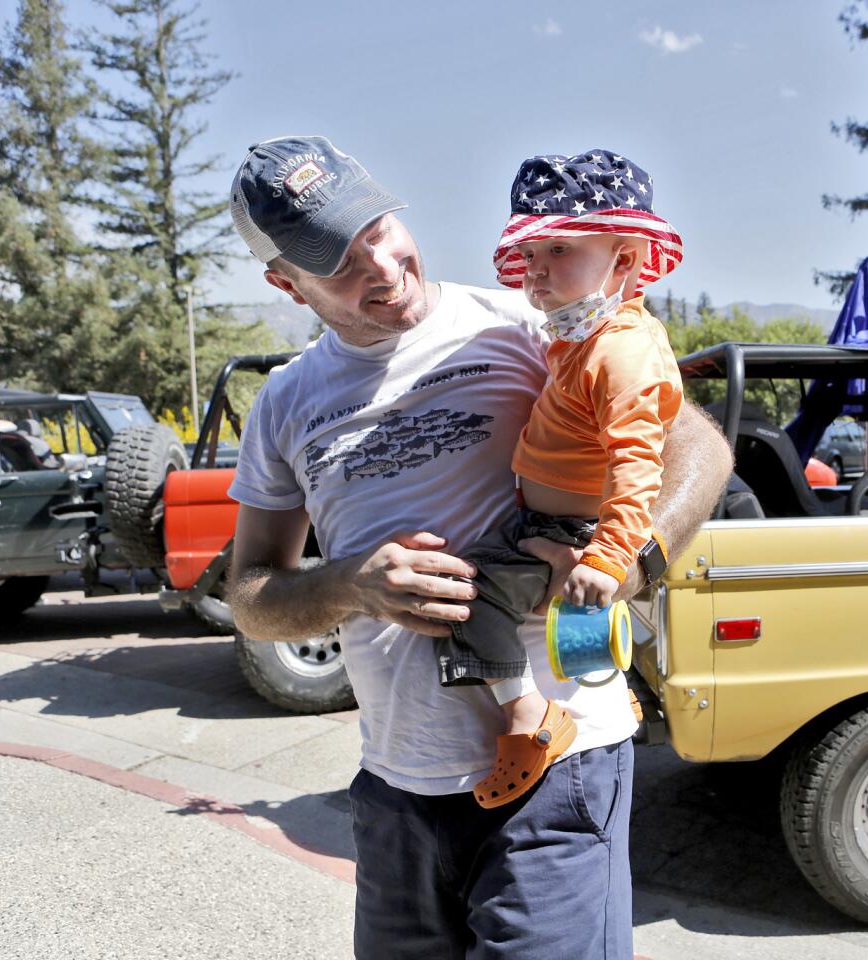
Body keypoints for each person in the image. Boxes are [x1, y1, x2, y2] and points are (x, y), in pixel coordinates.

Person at [223, 136, 730, 959]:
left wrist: (624, 567)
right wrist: (352, 583)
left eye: (378, 230)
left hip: (561, 776)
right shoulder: (284, 405)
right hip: (396, 791)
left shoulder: (532, 324)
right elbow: (251, 597)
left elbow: (697, 449)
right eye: (341, 263)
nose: (382, 266)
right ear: (286, 283)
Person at [441, 150, 684, 809]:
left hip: (573, 527)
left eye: (562, 252)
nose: (539, 273)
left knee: (465, 600)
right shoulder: (579, 336)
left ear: (626, 260)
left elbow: (638, 469)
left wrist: (607, 556)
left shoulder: (622, 351)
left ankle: (529, 717)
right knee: (566, 622)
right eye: (533, 256)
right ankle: (610, 682)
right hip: (549, 521)